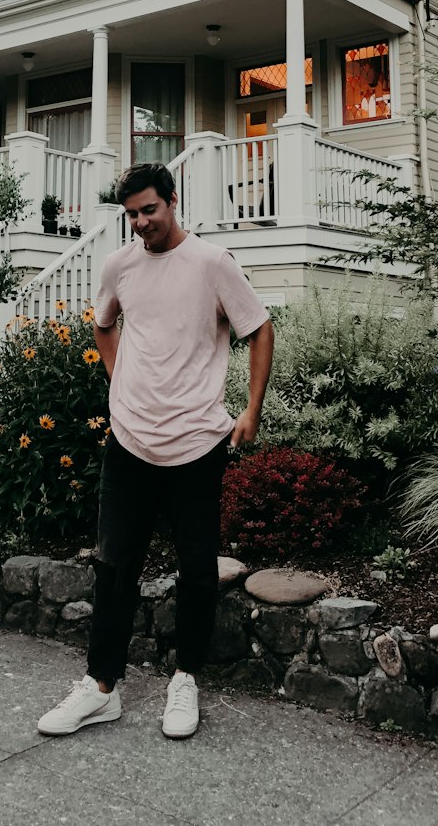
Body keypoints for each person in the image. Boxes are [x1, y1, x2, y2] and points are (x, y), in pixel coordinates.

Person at [38, 161, 273, 740]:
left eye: (150, 210)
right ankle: (100, 689)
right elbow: (103, 325)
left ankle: (185, 681)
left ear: (172, 200)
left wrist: (252, 409)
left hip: (197, 441)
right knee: (114, 566)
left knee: (196, 569)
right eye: (132, 214)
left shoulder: (214, 264)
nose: (142, 222)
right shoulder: (119, 265)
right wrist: (119, 381)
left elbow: (260, 328)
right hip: (130, 441)